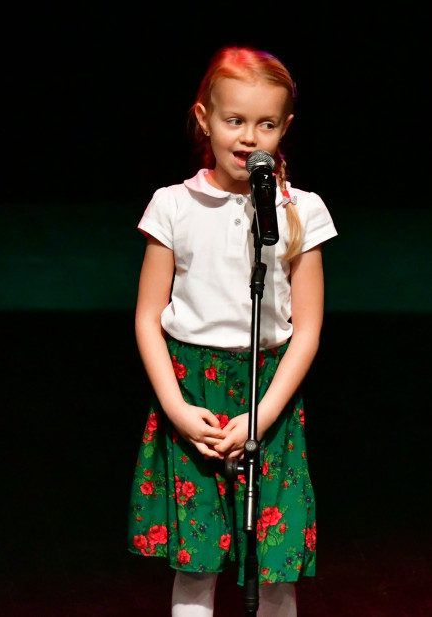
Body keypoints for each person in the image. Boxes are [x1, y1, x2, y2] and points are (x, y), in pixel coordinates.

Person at [127, 46, 336, 616]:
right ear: (204, 120)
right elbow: (148, 317)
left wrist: (263, 414)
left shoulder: (302, 211)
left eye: (265, 124)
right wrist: (174, 406)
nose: (249, 137)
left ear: (284, 128)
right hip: (192, 390)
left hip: (268, 397)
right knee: (196, 565)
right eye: (234, 121)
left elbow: (308, 328)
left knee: (273, 568)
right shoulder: (173, 205)